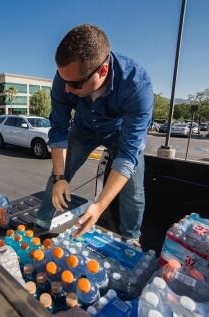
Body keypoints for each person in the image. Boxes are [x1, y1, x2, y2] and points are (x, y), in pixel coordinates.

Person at [35, 24, 153, 247]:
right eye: (63, 81)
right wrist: (60, 178)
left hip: (119, 134)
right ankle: (40, 225)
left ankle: (131, 240)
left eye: (75, 84)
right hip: (83, 129)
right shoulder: (64, 79)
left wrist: (99, 205)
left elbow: (128, 156)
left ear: (103, 71)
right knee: (58, 175)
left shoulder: (137, 85)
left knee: (134, 189)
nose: (66, 89)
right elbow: (59, 130)